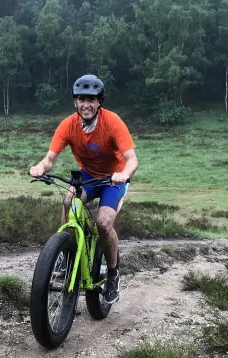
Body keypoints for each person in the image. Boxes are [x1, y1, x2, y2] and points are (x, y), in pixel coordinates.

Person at [29, 74, 139, 304]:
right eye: (81, 99)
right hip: (88, 177)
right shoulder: (68, 125)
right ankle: (66, 254)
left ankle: (112, 274)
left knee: (104, 223)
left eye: (91, 99)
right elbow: (50, 159)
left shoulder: (112, 122)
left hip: (113, 179)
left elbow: (132, 159)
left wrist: (124, 174)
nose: (86, 104)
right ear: (75, 102)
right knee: (68, 203)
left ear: (99, 102)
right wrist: (40, 167)